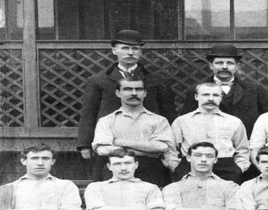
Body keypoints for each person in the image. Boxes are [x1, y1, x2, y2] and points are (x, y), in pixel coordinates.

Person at [77, 29, 176, 181]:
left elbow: (168, 112)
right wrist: (84, 144)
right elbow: (89, 112)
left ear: (140, 52)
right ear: (114, 50)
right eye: (125, 48)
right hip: (111, 145)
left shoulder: (157, 80)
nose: (130, 52)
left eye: (135, 48)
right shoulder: (98, 80)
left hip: (147, 146)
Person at [178, 44, 268, 139]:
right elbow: (187, 121)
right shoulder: (197, 90)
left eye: (230, 63)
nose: (225, 67)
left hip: (245, 143)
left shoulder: (254, 89)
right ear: (211, 66)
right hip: (209, 145)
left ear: (237, 66)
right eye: (219, 63)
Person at [92, 78, 177, 187]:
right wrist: (148, 151)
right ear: (118, 93)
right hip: (118, 167)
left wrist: (121, 142)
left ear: (145, 93)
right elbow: (102, 150)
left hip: (151, 169)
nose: (134, 93)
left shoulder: (159, 120)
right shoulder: (106, 120)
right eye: (128, 89)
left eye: (138, 89)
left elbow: (162, 147)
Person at [171, 83, 250, 183]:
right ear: (196, 96)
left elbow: (242, 149)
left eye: (215, 95)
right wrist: (176, 168)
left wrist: (239, 169)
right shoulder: (182, 121)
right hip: (190, 167)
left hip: (225, 168)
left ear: (221, 98)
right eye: (205, 95)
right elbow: (171, 149)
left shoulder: (234, 122)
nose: (211, 99)